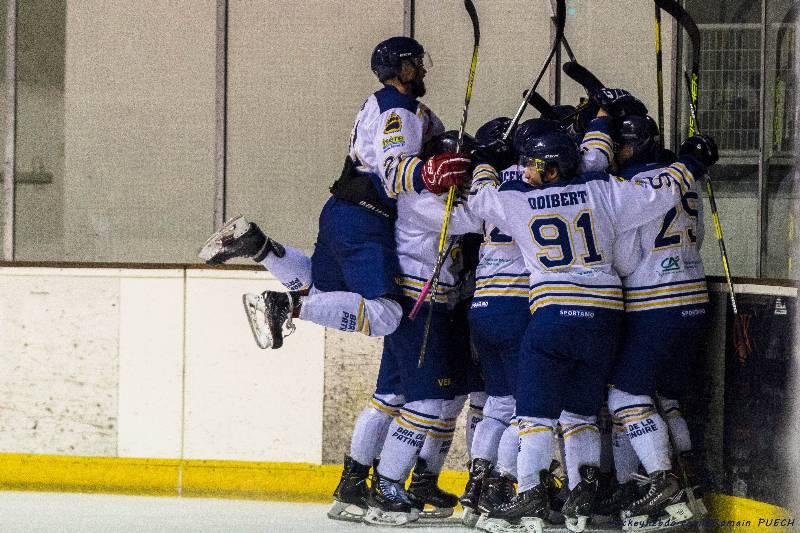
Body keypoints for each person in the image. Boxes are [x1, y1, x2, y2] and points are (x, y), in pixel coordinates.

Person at [465, 127, 713, 533]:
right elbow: (665, 190)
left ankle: (530, 495)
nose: (525, 171)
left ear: (552, 169)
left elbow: (479, 197)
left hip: (553, 320)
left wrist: (484, 163)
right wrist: (691, 162)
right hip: (603, 321)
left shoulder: (516, 199)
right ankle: (581, 494)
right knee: (581, 412)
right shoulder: (605, 191)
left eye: (532, 165)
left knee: (534, 414)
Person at [580, 107, 715, 526]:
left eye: (619, 146)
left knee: (625, 397)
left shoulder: (628, 187)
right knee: (666, 399)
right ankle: (687, 488)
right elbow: (700, 237)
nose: (615, 153)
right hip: (694, 298)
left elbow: (624, 258)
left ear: (633, 146)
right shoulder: (682, 179)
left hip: (654, 304)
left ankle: (658, 483)